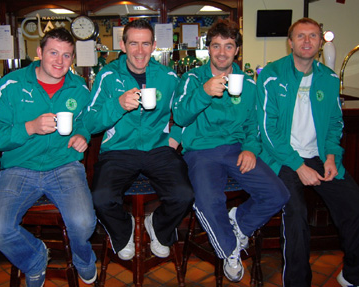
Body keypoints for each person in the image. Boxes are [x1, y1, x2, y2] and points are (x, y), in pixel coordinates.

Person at [172, 19, 289, 283]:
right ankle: (230, 250)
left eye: (228, 46)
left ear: (237, 50)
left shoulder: (247, 84)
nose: (222, 52)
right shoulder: (192, 78)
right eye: (216, 46)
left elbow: (253, 125)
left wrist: (249, 148)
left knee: (278, 193)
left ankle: (239, 221)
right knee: (208, 199)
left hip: (236, 149)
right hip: (200, 151)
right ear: (208, 49)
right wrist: (203, 92)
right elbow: (179, 116)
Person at [0, 28, 97, 287]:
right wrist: (29, 127)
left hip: (64, 165)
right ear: (39, 53)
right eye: (53, 53)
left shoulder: (78, 87)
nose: (60, 61)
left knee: (84, 223)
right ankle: (34, 257)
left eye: (67, 55)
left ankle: (83, 258)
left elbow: (85, 122)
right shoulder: (11, 85)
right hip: (18, 168)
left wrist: (82, 135)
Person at [256, 17, 359, 287]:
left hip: (319, 156)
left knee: (354, 202)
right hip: (282, 157)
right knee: (296, 213)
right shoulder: (271, 75)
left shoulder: (328, 78)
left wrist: (332, 157)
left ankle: (353, 274)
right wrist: (298, 166)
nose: (307, 41)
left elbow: (336, 123)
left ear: (319, 43)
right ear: (290, 42)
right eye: (300, 36)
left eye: (313, 36)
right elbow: (267, 131)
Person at [83, 19, 194, 261]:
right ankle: (124, 231)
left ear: (154, 45)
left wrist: (174, 139)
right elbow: (89, 123)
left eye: (145, 44)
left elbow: (184, 114)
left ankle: (158, 226)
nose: (140, 51)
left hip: (158, 148)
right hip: (118, 150)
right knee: (100, 199)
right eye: (133, 43)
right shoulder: (108, 75)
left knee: (184, 195)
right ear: (123, 45)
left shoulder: (168, 76)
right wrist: (118, 105)